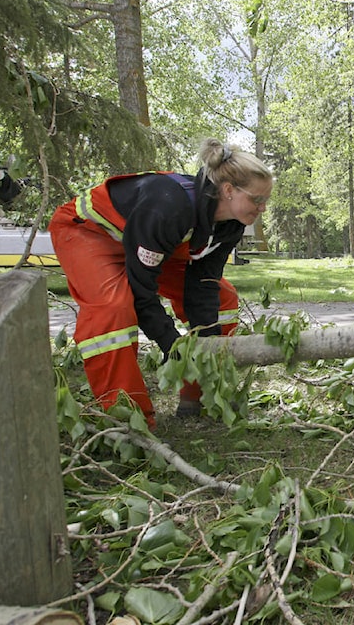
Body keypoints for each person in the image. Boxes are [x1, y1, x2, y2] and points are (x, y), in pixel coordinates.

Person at [49, 139, 273, 430]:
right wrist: (170, 343)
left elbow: (204, 281)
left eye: (266, 200)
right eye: (257, 199)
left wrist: (208, 342)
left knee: (223, 297)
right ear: (228, 190)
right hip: (92, 233)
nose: (263, 208)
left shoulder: (232, 223)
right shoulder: (169, 208)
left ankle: (202, 393)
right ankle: (129, 421)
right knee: (114, 310)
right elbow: (142, 291)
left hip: (150, 245)